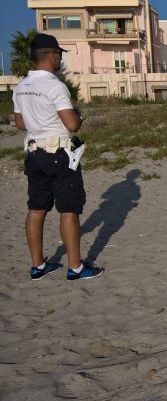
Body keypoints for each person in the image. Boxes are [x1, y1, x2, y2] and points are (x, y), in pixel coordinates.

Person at [12, 33, 104, 281]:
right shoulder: (54, 86)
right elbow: (72, 124)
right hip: (59, 153)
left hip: (33, 153)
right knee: (69, 209)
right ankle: (75, 267)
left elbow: (20, 123)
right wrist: (78, 115)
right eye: (59, 54)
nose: (60, 59)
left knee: (36, 208)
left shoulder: (21, 88)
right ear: (51, 55)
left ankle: (38, 265)